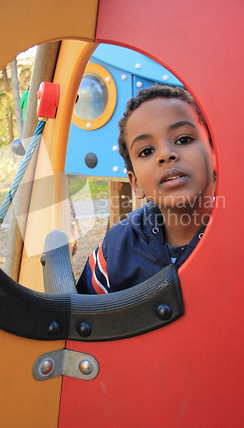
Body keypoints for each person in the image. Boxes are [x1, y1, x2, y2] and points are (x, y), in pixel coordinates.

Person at [76, 83, 215, 294]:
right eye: (147, 151)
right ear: (135, 183)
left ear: (215, 157)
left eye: (183, 139)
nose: (166, 154)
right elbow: (85, 318)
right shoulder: (113, 251)